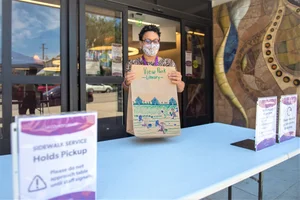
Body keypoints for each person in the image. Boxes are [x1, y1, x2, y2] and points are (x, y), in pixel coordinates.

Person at [123, 25, 185, 93]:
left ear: (159, 42)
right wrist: (126, 83)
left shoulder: (168, 64)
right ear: (141, 43)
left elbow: (179, 89)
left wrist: (179, 82)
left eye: (155, 41)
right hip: (140, 102)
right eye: (147, 41)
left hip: (163, 102)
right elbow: (127, 90)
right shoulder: (133, 64)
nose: (152, 44)